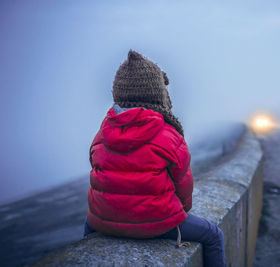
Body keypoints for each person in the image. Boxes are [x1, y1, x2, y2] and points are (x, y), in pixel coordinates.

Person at [84, 50, 226, 267]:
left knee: (87, 227)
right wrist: (179, 213)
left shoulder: (102, 132)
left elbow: (97, 174)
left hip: (104, 223)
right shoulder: (169, 134)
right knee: (214, 235)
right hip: (156, 225)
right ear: (157, 93)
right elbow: (183, 188)